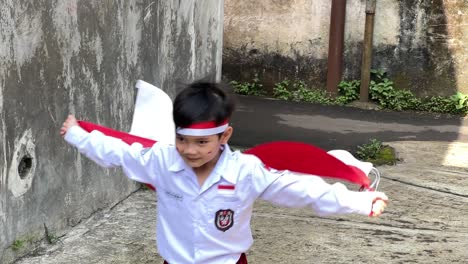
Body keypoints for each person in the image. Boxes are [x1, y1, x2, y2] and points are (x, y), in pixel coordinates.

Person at [60, 81, 388, 264]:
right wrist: (77, 134)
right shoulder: (161, 160)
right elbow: (118, 151)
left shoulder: (247, 170)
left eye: (202, 142)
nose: (190, 150)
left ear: (224, 136)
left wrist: (360, 203)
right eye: (182, 140)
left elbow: (303, 190)